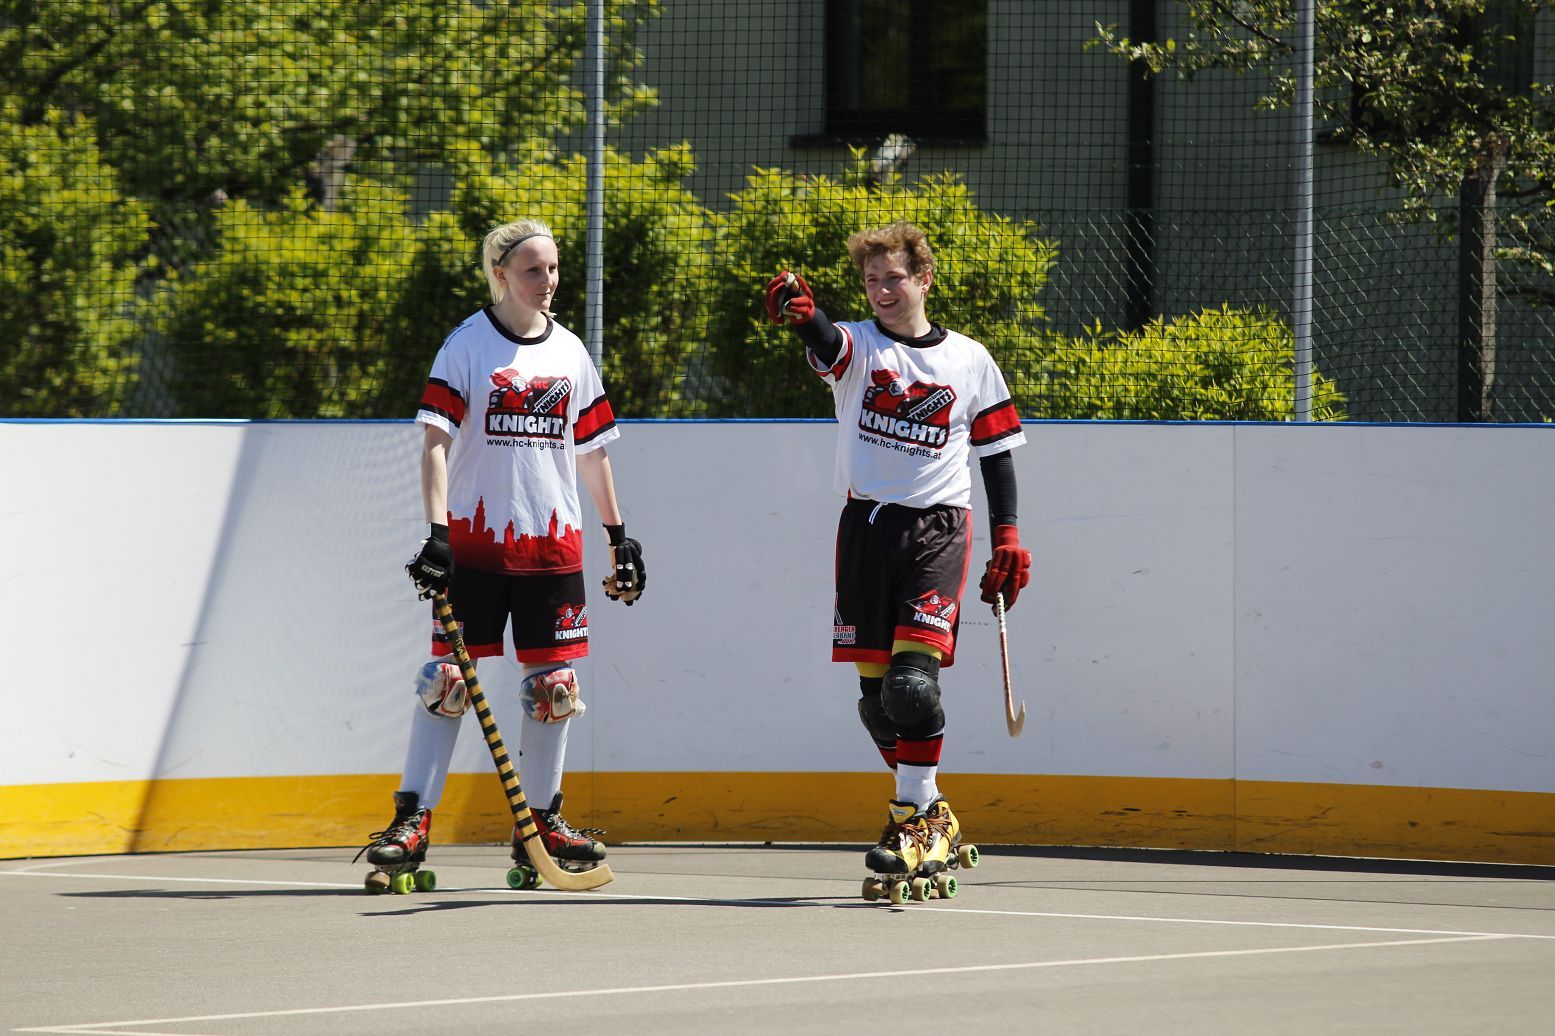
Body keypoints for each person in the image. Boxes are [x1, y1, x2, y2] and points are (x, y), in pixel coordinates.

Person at [360, 218, 646, 883]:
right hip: (477, 544)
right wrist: (437, 534)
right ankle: (412, 821)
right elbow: (435, 443)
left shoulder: (570, 352)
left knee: (553, 689)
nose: (547, 281)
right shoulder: (467, 345)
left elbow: (592, 452)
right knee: (447, 682)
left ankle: (539, 824)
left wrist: (618, 536)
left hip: (552, 547)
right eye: (532, 270)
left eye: (553, 269)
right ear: (499, 274)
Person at [764, 221, 1030, 882]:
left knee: (912, 687)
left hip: (937, 529)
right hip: (865, 529)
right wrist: (805, 317)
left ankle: (910, 817)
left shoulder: (969, 359)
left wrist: (1007, 537)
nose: (882, 290)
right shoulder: (859, 346)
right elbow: (826, 342)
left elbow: (996, 454)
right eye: (871, 280)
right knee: (876, 703)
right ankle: (932, 812)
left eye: (894, 278)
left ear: (924, 279)